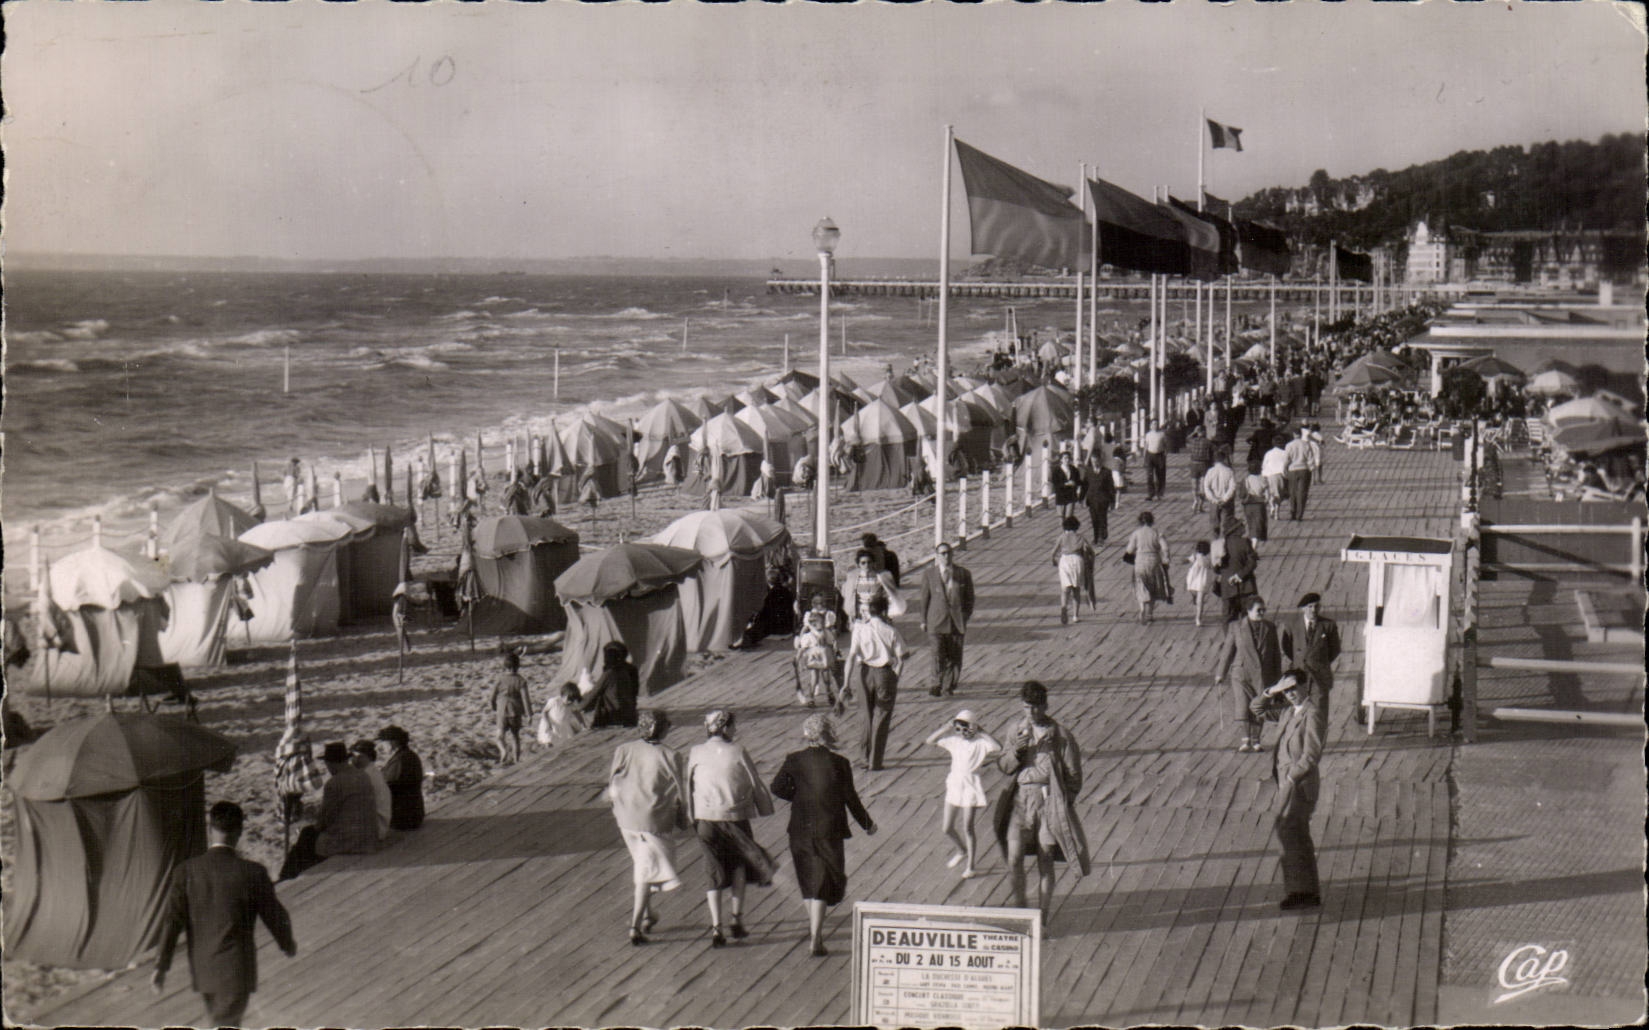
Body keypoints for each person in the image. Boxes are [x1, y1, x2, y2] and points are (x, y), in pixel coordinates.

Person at [152, 801, 296, 1026]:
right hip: (237, 970)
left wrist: (161, 965)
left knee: (221, 1022)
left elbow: (172, 921)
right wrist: (286, 943)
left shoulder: (186, 872)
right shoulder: (252, 872)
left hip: (204, 972)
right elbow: (274, 914)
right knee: (226, 1023)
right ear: (239, 832)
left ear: (210, 830)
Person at [770, 715, 877, 957]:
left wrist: (798, 797)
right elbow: (851, 798)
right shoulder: (839, 762)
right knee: (826, 880)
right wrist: (867, 824)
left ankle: (814, 930)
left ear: (807, 734)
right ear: (829, 734)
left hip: (800, 828)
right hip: (830, 829)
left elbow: (776, 787)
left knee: (809, 880)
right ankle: (816, 937)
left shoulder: (793, 760)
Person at [993, 681, 1088, 928]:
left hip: (1049, 802)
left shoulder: (1061, 736)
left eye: (1036, 708)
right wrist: (1015, 752)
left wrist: (1063, 803)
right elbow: (1003, 766)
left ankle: (1042, 916)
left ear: (1045, 706)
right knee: (1014, 858)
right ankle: (1022, 909)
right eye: (1026, 707)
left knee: (1045, 860)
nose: (1031, 713)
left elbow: (1074, 775)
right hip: (1020, 802)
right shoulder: (1015, 729)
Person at [687, 710, 775, 947]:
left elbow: (688, 784)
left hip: (705, 820)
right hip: (735, 819)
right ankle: (736, 919)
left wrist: (690, 814)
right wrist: (764, 807)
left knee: (713, 872)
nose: (735, 730)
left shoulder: (695, 752)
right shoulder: (737, 751)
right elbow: (754, 781)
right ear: (725, 728)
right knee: (739, 867)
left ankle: (716, 928)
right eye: (733, 726)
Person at [608, 709, 689, 945]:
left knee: (643, 866)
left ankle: (649, 913)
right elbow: (680, 793)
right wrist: (683, 817)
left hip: (625, 819)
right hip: (652, 822)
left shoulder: (623, 750)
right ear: (660, 729)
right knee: (645, 871)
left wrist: (617, 805)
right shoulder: (671, 755)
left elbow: (612, 783)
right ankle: (635, 925)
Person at [1249, 670, 1324, 910]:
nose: (1291, 695)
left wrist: (1292, 776)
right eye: (1287, 690)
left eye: (1294, 688)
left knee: (1288, 832)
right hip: (1286, 781)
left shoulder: (1312, 714)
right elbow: (1256, 710)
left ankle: (1301, 892)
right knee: (1295, 834)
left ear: (1306, 686)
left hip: (1298, 784)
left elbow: (1311, 755)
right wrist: (1271, 691)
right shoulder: (1289, 712)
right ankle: (1305, 891)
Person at [279, 741, 380, 880]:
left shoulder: (335, 783)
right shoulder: (363, 776)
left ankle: (286, 877)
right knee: (309, 836)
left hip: (352, 842)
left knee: (307, 837)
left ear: (331, 763)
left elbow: (323, 821)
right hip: (369, 837)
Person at [924, 709, 1000, 878]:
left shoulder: (981, 742)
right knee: (947, 827)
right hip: (955, 784)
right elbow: (930, 741)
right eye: (958, 729)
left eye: (965, 729)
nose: (962, 733)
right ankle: (961, 850)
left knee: (968, 827)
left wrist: (982, 732)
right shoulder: (954, 741)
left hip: (971, 786)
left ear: (973, 728)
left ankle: (971, 866)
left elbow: (998, 747)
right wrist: (946, 727)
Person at [843, 593, 908, 772]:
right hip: (884, 673)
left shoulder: (859, 629)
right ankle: (875, 761)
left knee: (865, 716)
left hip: (864, 672)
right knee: (882, 716)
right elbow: (902, 657)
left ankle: (864, 756)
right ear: (884, 611)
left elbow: (851, 656)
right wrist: (896, 677)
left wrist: (845, 683)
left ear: (869, 612)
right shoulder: (891, 631)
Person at [1214, 596, 1283, 753]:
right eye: (1258, 610)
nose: (1262, 613)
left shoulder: (1270, 627)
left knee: (1259, 706)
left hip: (1263, 674)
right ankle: (1245, 740)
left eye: (1263, 610)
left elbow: (1276, 655)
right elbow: (1228, 651)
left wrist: (1278, 678)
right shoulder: (1236, 627)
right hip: (1241, 674)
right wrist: (1220, 673)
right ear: (1249, 610)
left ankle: (1256, 739)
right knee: (1243, 705)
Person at [918, 542, 975, 696]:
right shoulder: (929, 574)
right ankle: (936, 683)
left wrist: (965, 616)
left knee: (954, 655)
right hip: (935, 621)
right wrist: (923, 620)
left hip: (956, 622)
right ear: (937, 556)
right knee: (937, 653)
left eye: (948, 552)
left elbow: (970, 599)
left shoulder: (963, 574)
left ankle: (948, 685)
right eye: (942, 553)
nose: (946, 556)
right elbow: (924, 599)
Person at [1280, 592, 1343, 728]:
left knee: (1319, 711)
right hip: (1299, 676)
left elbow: (1335, 649)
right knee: (1300, 709)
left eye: (1316, 606)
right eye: (1309, 607)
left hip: (1320, 676)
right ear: (1303, 608)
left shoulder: (1328, 625)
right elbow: (1286, 647)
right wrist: (1300, 660)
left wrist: (1319, 661)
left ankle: (1317, 743)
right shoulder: (1292, 625)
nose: (1313, 610)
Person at [1122, 511, 1173, 625]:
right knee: (1153, 586)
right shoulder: (1157, 533)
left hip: (1140, 562)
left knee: (1141, 586)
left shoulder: (1136, 533)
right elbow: (1165, 548)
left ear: (1140, 521)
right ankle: (1150, 614)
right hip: (1154, 561)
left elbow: (1129, 550)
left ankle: (1142, 609)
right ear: (1152, 521)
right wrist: (1166, 560)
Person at [793, 593, 840, 708]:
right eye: (819, 624)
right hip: (813, 658)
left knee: (826, 677)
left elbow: (832, 642)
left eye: (823, 623)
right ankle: (811, 696)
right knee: (814, 677)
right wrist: (797, 657)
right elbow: (803, 648)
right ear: (813, 624)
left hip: (824, 658)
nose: (821, 626)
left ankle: (829, 693)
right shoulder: (808, 636)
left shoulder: (826, 632)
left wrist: (835, 651)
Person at [376, 725, 425, 831]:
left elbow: (391, 786)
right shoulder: (407, 755)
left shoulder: (401, 760)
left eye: (383, 743)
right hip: (412, 814)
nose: (381, 747)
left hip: (404, 818)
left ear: (392, 743)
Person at [582, 640, 641, 729]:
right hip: (630, 712)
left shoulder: (610, 672)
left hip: (614, 714)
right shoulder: (631, 669)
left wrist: (579, 707)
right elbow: (634, 692)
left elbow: (595, 693)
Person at [490, 651, 534, 764]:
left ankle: (503, 750)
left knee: (499, 736)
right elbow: (525, 698)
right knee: (515, 737)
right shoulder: (521, 681)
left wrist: (493, 705)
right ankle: (516, 759)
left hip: (502, 711)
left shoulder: (500, 679)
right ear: (518, 666)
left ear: (504, 666)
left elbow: (492, 696)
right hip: (515, 711)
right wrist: (529, 714)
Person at [1050, 515, 1093, 625]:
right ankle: (1075, 616)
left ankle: (1064, 607)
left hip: (1065, 561)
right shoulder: (1080, 537)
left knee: (1065, 589)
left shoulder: (1061, 537)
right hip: (1077, 560)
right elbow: (1091, 551)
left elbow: (1053, 553)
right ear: (1077, 526)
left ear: (1064, 527)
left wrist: (1054, 561)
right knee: (1076, 589)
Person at [841, 548, 901, 623]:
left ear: (873, 563)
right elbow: (847, 596)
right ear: (858, 564)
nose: (867, 565)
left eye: (869, 562)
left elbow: (888, 597)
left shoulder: (880, 578)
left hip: (878, 616)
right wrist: (851, 616)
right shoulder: (853, 579)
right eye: (863, 563)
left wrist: (888, 615)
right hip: (860, 617)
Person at [349, 739, 392, 842]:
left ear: (362, 756)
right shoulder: (373, 771)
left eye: (354, 756)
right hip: (382, 824)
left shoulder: (365, 777)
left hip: (375, 829)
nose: (352, 760)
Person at [1217, 521, 1260, 623]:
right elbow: (1252, 563)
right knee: (1248, 618)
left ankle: (1229, 638)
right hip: (1246, 587)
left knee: (1228, 618)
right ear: (1235, 530)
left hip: (1228, 588)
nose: (1244, 528)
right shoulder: (1244, 542)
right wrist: (1239, 575)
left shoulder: (1219, 544)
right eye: (1241, 527)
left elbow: (1216, 568)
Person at [1200, 448, 1239, 540]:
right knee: (1227, 524)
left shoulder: (1210, 471)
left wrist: (1213, 499)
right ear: (1224, 459)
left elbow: (1206, 487)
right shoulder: (1229, 471)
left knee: (1214, 525)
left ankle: (1215, 544)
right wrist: (1225, 499)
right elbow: (1232, 487)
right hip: (1227, 502)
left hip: (1214, 502)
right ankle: (1226, 544)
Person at [1082, 452, 1115, 544]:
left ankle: (1101, 537)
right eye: (1092, 461)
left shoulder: (1106, 472)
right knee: (1094, 519)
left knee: (1102, 517)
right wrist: (1081, 498)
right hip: (1092, 499)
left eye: (1096, 461)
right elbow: (1085, 485)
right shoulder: (1088, 471)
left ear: (1100, 461)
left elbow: (1111, 487)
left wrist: (1112, 501)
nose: (1094, 463)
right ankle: (1095, 536)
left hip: (1103, 499)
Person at [1283, 424, 1314, 521]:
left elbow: (1286, 459)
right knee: (1302, 493)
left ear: (1293, 435)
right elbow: (1310, 459)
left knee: (1292, 492)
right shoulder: (1306, 444)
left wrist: (1284, 468)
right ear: (1301, 434)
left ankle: (1293, 511)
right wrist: (1311, 469)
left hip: (1292, 470)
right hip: (1304, 470)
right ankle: (1299, 515)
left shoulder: (1289, 445)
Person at [1186, 540, 1216, 627]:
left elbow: (1187, 560)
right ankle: (1198, 618)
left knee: (1197, 599)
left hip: (1194, 580)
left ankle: (1198, 617)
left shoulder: (1196, 556)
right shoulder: (1209, 558)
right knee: (1200, 601)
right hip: (1203, 581)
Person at [1241, 458, 1269, 546]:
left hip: (1248, 505)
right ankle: (1253, 547)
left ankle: (1252, 542)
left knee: (1250, 524)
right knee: (1257, 526)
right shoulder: (1262, 479)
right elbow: (1267, 494)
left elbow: (1241, 494)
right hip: (1259, 505)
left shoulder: (1246, 479)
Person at [1185, 424, 1212, 513]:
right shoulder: (1208, 442)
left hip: (1194, 464)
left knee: (1194, 485)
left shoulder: (1193, 441)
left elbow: (1187, 438)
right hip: (1204, 465)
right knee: (1202, 486)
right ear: (1204, 432)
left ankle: (1195, 500)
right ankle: (1201, 505)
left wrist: (1194, 432)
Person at [1261, 436, 1290, 521]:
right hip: (1279, 475)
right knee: (1279, 494)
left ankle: (1271, 506)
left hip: (1268, 475)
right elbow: (1287, 465)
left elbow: (1264, 465)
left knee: (1270, 493)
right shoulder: (1285, 453)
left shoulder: (1268, 453)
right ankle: (1277, 512)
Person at [1051, 448, 1085, 518]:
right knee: (1061, 517)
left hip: (1071, 495)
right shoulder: (1056, 471)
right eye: (1065, 458)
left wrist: (1074, 483)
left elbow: (1078, 481)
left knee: (1068, 517)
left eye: (1068, 458)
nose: (1067, 460)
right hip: (1061, 496)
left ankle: (1067, 528)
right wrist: (1065, 484)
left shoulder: (1074, 469)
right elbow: (1055, 484)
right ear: (1061, 459)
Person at [1141, 420, 1168, 500]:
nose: (1154, 425)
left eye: (1156, 424)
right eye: (1153, 424)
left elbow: (1165, 445)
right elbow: (1146, 446)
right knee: (1149, 476)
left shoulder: (1162, 434)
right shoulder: (1148, 435)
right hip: (1150, 455)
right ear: (1150, 426)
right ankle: (1150, 493)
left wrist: (1165, 456)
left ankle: (1160, 493)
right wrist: (1144, 458)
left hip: (1159, 455)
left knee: (1160, 475)